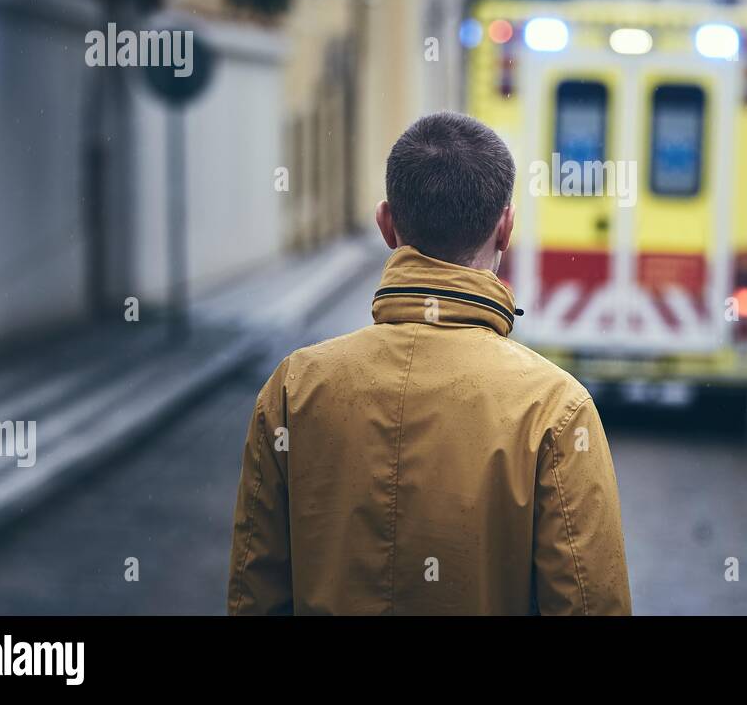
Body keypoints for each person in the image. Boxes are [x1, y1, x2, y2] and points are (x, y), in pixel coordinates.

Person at [227, 111, 631, 615]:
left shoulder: (294, 388)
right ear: (505, 228)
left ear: (385, 223)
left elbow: (255, 593)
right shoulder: (556, 408)